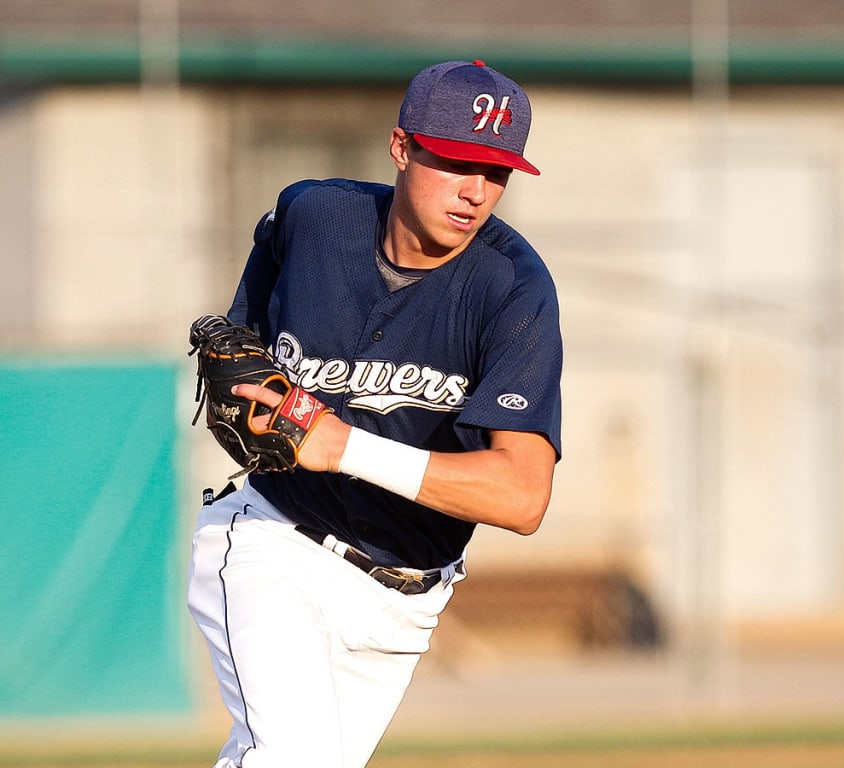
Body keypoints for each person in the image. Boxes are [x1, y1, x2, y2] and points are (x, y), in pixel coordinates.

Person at [186, 59, 562, 768]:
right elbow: (242, 359)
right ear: (401, 147)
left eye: (498, 171)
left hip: (407, 600)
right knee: (294, 758)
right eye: (456, 161)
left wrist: (341, 444)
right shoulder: (311, 217)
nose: (476, 191)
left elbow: (522, 495)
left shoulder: (513, 289)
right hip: (276, 543)